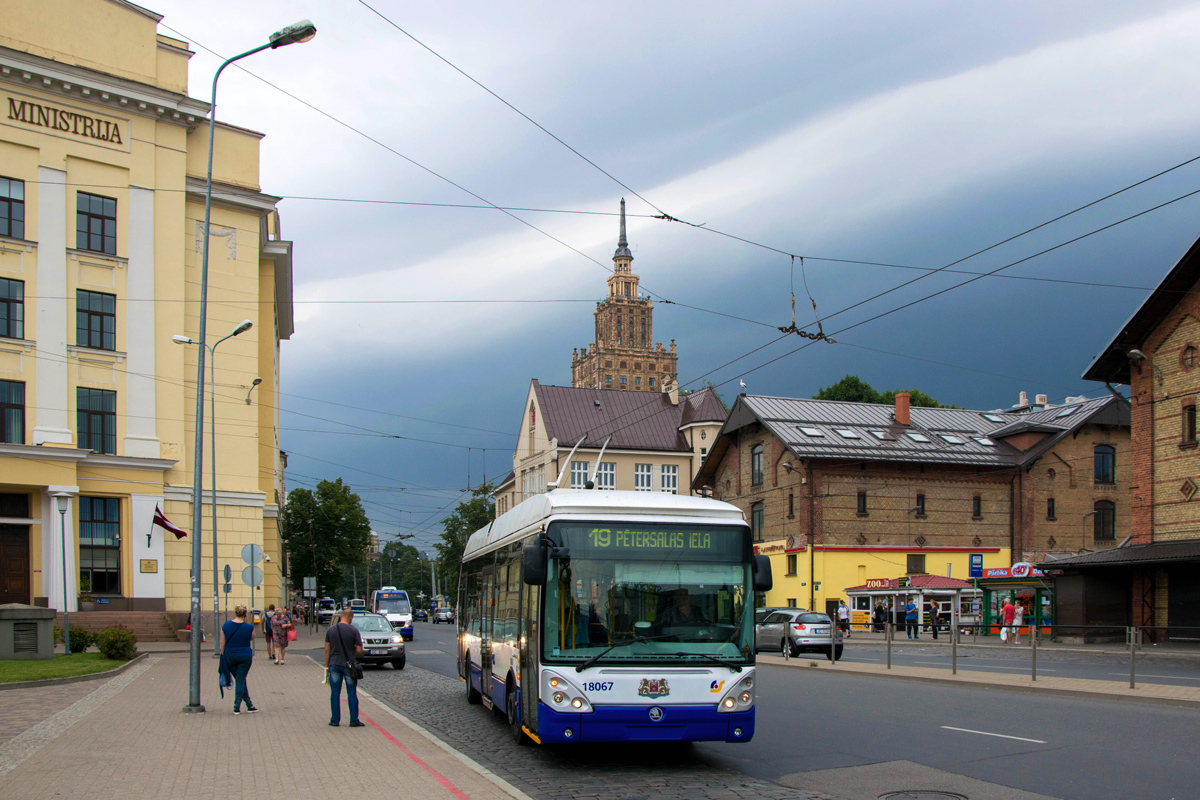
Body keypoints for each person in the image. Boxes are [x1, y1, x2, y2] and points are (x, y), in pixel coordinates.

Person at [325, 609, 365, 728]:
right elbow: (359, 650)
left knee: (335, 693)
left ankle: (334, 720)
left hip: (334, 664)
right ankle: (353, 720)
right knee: (351, 693)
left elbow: (327, 650)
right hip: (349, 665)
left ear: (340, 617)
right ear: (351, 617)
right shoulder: (354, 630)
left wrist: (327, 666)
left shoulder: (331, 630)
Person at [219, 604, 258, 714]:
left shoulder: (226, 625)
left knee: (240, 680)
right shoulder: (249, 627)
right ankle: (237, 706)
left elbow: (222, 642)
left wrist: (223, 656)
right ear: (245, 614)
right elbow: (252, 637)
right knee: (241, 680)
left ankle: (249, 705)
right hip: (245, 656)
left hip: (230, 655)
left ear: (235, 612)